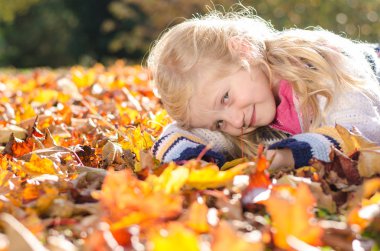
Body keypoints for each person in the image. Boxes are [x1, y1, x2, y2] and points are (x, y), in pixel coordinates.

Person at [147, 7, 380, 170]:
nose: (235, 122)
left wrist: (293, 154)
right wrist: (191, 162)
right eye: (219, 123)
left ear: (244, 51)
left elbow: (360, 131)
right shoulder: (245, 114)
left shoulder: (319, 64)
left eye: (226, 98)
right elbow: (180, 134)